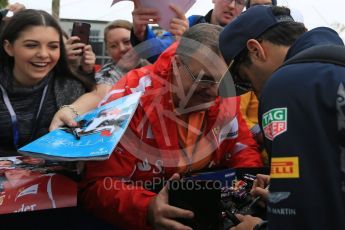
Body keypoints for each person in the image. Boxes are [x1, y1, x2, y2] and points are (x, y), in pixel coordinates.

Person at [80, 23, 263, 230]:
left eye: (224, 81)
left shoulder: (227, 94)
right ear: (176, 64)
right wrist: (147, 208)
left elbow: (242, 148)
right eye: (203, 79)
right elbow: (95, 186)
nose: (214, 92)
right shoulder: (128, 98)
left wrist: (254, 184)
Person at [219, 5, 345, 229]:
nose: (253, 92)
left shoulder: (285, 86)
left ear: (256, 50)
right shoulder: (333, 65)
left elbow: (301, 219)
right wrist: (289, 185)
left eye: (244, 80)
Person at [0, 9, 93, 154]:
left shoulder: (72, 88)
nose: (43, 54)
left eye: (53, 46)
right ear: (9, 48)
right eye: (31, 45)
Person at [49, 20, 149, 130]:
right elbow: (99, 94)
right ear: (107, 51)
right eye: (113, 46)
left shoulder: (155, 62)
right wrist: (70, 110)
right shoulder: (108, 74)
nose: (122, 49)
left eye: (127, 41)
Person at [131, 0, 246, 63]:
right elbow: (159, 52)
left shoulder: (243, 43)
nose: (232, 5)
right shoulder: (191, 23)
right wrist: (142, 33)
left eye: (239, 2)